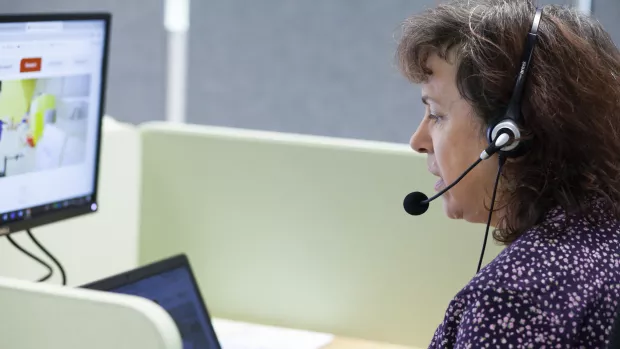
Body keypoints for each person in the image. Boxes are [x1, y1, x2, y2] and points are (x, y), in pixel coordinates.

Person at [396, 0, 620, 348]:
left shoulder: (511, 304)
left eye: (437, 114)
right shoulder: (605, 233)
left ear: (509, 134)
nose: (418, 140)